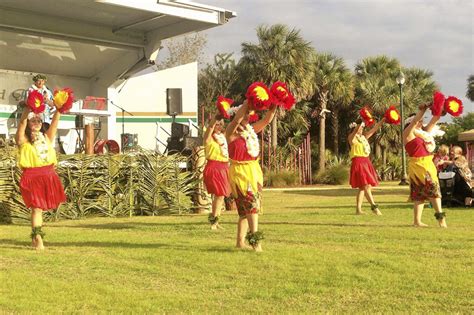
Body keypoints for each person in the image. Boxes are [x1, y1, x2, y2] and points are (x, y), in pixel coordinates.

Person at [225, 100, 277, 251]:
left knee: (245, 211)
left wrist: (274, 104)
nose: (248, 115)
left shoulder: (251, 130)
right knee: (251, 207)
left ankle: (239, 242)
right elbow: (237, 119)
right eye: (246, 113)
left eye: (248, 113)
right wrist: (248, 102)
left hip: (253, 171)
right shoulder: (231, 132)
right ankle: (256, 243)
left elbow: (266, 120)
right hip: (241, 173)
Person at [16, 106, 66, 250]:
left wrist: (59, 109)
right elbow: (21, 123)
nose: (37, 122)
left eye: (39, 120)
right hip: (32, 177)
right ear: (28, 123)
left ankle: (34, 238)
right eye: (33, 120)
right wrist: (28, 108)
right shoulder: (23, 139)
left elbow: (55, 123)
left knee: (40, 210)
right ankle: (38, 240)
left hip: (48, 175)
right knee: (37, 208)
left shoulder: (46, 137)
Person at [403, 105, 447, 227]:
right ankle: (418, 221)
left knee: (434, 191)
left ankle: (440, 219)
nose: (421, 123)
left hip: (428, 165)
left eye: (422, 121)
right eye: (419, 121)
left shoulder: (424, 133)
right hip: (418, 166)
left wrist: (442, 108)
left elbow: (435, 119)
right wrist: (423, 109)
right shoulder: (407, 134)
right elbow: (415, 121)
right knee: (420, 195)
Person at [347, 119, 384, 215]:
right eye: (361, 127)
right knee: (366, 186)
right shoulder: (352, 138)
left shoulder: (363, 137)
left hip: (366, 162)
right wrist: (359, 123)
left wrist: (382, 121)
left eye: (363, 127)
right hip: (358, 162)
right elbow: (355, 131)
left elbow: (374, 129)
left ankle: (358, 210)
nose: (362, 129)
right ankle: (374, 207)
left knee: (363, 187)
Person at [203, 113, 231, 229]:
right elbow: (210, 128)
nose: (219, 127)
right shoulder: (208, 138)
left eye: (221, 125)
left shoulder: (223, 137)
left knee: (221, 196)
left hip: (224, 167)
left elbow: (232, 127)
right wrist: (216, 117)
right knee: (219, 195)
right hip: (214, 166)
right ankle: (214, 222)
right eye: (217, 125)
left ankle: (215, 220)